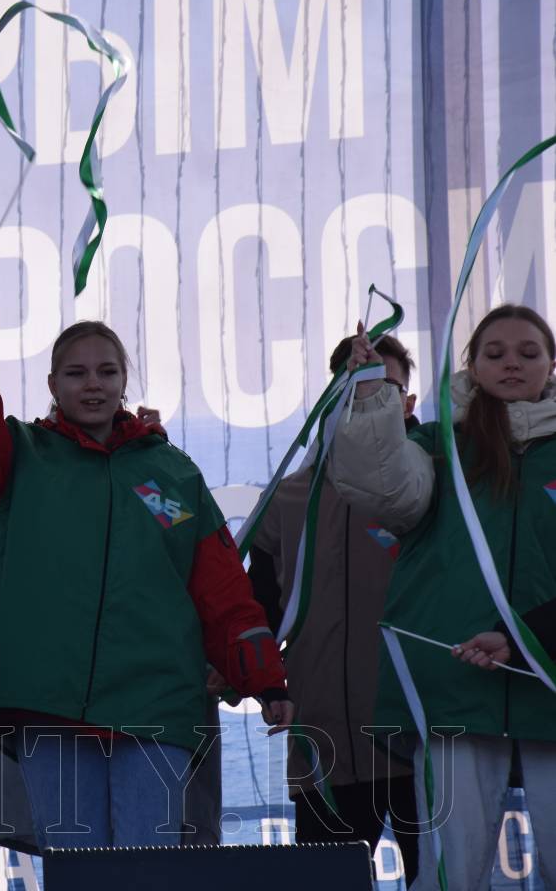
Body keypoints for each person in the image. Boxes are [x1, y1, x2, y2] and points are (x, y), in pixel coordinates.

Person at [0, 245, 292, 851]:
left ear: (125, 382)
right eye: (76, 373)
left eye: (106, 372)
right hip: (46, 701)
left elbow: (221, 588)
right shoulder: (17, 459)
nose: (93, 384)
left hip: (156, 703)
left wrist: (267, 680)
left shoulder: (173, 474)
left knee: (149, 870)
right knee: (79, 870)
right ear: (52, 384)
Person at [329, 303, 556, 890]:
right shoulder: (436, 445)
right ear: (472, 367)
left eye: (528, 353)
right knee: (450, 871)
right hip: (456, 677)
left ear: (552, 366)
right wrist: (371, 397)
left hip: (552, 680)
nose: (511, 364)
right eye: (495, 354)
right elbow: (386, 493)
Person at [247, 334, 421, 880]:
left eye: (383, 388)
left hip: (418, 744)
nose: (366, 397)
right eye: (353, 384)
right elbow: (258, 608)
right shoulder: (287, 498)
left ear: (408, 404)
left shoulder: (436, 482)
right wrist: (258, 682)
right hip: (322, 746)